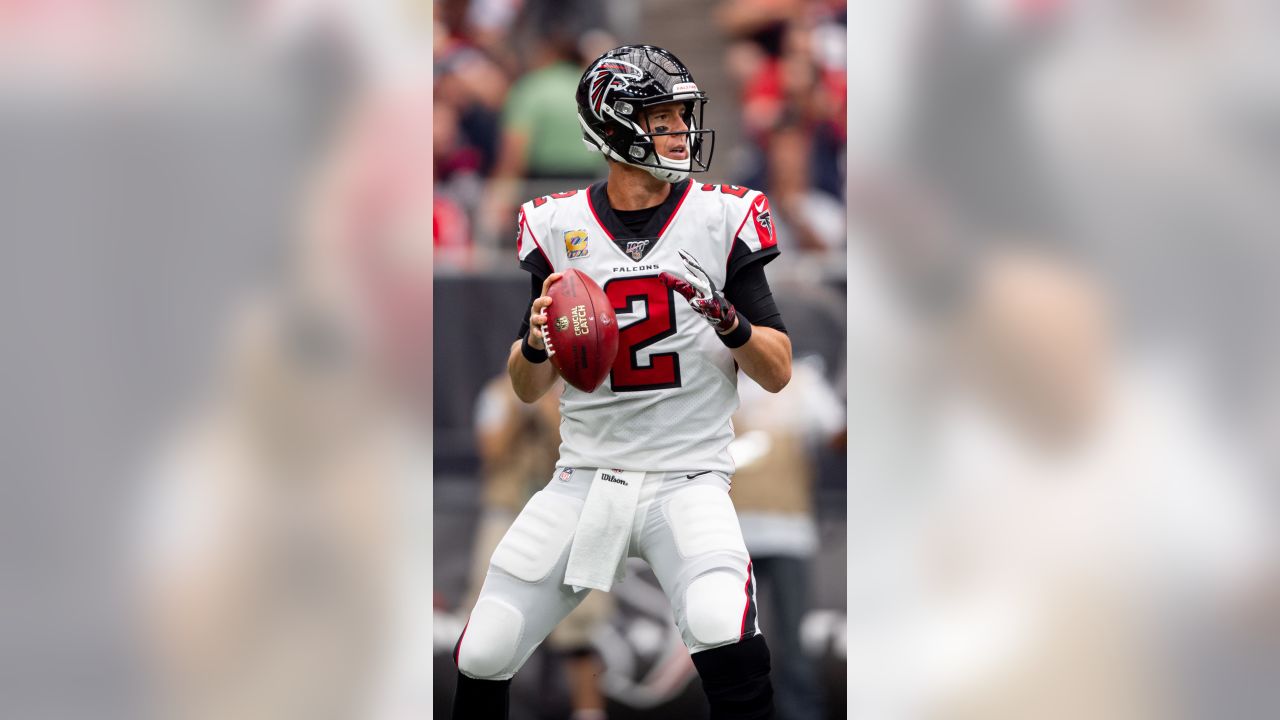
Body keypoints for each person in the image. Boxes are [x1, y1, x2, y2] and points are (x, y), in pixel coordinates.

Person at [451, 45, 793, 720]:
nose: (680, 132)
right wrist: (534, 343)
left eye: (679, 116)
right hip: (586, 474)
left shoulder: (723, 216)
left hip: (687, 476)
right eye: (661, 117)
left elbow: (777, 371)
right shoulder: (555, 226)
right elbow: (525, 387)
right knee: (484, 649)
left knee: (720, 619)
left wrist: (729, 321)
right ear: (612, 128)